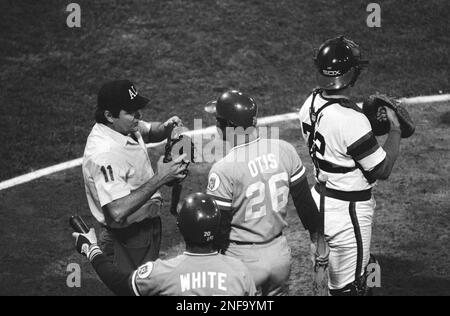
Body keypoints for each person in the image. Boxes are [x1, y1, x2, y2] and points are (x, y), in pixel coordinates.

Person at [298, 36, 402, 296]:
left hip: (319, 203)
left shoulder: (308, 104)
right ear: (351, 74)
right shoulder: (351, 120)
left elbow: (339, 136)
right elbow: (383, 168)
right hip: (348, 211)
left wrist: (365, 125)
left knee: (327, 270)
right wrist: (395, 130)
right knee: (351, 288)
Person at [205, 90, 325, 296]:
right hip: (279, 256)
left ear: (228, 127)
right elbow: (305, 204)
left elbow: (219, 227)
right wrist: (318, 241)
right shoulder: (285, 150)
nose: (216, 126)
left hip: (242, 260)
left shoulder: (223, 169)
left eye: (219, 121)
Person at [82, 79, 188, 273]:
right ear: (109, 115)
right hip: (127, 239)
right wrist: (160, 177)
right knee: (133, 289)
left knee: (145, 285)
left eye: (137, 108)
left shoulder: (125, 127)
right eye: (131, 111)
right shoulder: (105, 154)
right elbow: (117, 211)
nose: (138, 115)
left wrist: (166, 128)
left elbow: (149, 132)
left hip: (144, 229)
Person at [72, 192, 257, 296]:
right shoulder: (240, 272)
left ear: (181, 228)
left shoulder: (161, 272)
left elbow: (120, 284)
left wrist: (91, 249)